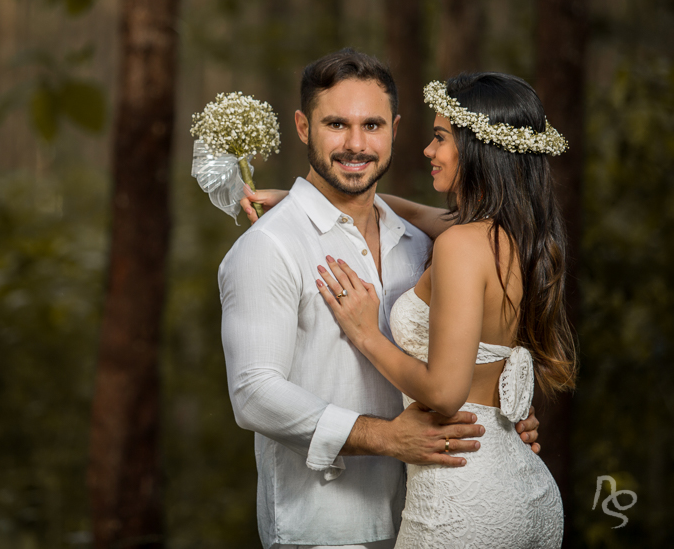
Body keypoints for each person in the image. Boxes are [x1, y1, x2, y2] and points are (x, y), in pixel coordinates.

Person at [219, 49, 542, 549]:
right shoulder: (270, 246)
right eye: (336, 125)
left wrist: (502, 415)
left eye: (371, 125)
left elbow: (467, 357)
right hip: (328, 526)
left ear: (393, 128)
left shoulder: (424, 243)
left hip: (436, 503)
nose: (355, 144)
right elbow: (254, 394)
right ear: (304, 127)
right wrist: (385, 437)